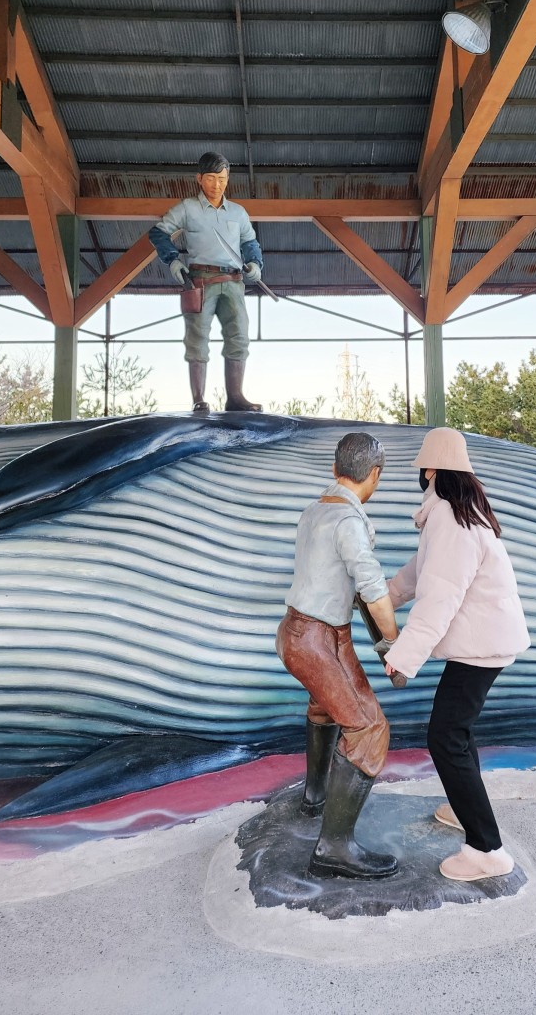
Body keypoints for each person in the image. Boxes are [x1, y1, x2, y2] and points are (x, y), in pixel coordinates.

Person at [384, 427, 530, 883]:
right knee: (457, 733)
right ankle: (462, 807)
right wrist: (378, 597)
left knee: (445, 737)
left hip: (481, 645)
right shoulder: (456, 512)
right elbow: (418, 574)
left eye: (420, 471)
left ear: (430, 470)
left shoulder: (448, 517)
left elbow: (439, 597)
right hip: (486, 641)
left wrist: (403, 656)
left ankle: (487, 849)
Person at [276, 432, 400, 880]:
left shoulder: (315, 511)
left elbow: (342, 589)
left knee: (326, 706)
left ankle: (315, 796)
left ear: (335, 470)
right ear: (376, 476)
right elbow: (373, 592)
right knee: (368, 730)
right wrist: (393, 643)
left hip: (299, 632)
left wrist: (372, 638)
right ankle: (333, 848)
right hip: (317, 640)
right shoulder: (349, 522)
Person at [148, 152, 264, 413]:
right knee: (197, 338)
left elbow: (249, 242)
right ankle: (199, 398)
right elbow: (159, 232)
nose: (216, 185)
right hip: (199, 281)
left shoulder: (238, 212)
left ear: (228, 178)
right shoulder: (187, 208)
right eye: (210, 179)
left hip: (234, 281)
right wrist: (173, 261)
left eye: (222, 179)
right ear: (199, 179)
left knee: (239, 336)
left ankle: (235, 396)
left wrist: (255, 263)